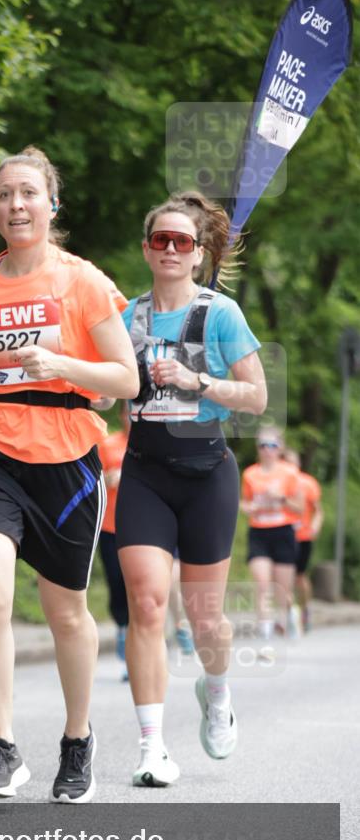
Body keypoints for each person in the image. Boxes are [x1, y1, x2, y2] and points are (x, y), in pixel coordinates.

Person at [0, 146, 138, 803]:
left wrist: (59, 363)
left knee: (66, 613)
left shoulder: (82, 281)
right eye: (2, 195)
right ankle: (1, 748)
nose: (14, 205)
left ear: (51, 204)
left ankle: (76, 740)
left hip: (68, 461)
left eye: (26, 193)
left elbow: (124, 378)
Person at [115, 190, 267, 787]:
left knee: (206, 621)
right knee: (148, 603)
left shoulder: (219, 314)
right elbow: (108, 392)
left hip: (208, 472)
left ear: (199, 253)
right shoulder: (128, 317)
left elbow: (256, 397)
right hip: (146, 471)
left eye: (183, 241)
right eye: (161, 240)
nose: (171, 249)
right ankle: (152, 749)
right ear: (148, 249)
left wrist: (198, 380)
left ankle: (218, 689)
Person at [240, 429, 304, 651]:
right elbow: (244, 504)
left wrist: (282, 498)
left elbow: (301, 508)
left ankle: (290, 612)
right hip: (259, 532)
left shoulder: (290, 473)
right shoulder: (250, 474)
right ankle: (265, 634)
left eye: (272, 445)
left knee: (282, 591)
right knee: (262, 583)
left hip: (283, 531)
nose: (267, 450)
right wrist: (251, 508)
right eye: (263, 445)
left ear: (280, 448)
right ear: (258, 448)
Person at [96, 407, 130, 679]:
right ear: (122, 416)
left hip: (143, 528)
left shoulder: (153, 445)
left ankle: (138, 651)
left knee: (140, 587)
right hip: (110, 527)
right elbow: (96, 479)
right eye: (128, 412)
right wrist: (109, 479)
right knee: (116, 583)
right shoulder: (108, 444)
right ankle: (122, 628)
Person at [283, 448, 323, 631]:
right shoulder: (278, 482)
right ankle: (290, 614)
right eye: (286, 462)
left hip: (303, 535)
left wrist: (315, 526)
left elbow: (318, 510)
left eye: (292, 462)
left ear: (298, 464)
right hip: (283, 534)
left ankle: (306, 608)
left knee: (299, 576)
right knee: (285, 575)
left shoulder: (308, 483)